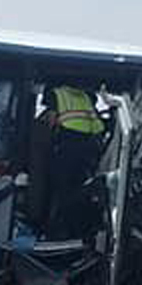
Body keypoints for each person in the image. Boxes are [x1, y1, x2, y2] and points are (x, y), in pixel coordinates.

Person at [43, 86, 106, 239]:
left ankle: (54, 233)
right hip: (86, 156)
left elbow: (50, 122)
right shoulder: (85, 97)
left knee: (59, 193)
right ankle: (77, 232)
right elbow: (99, 127)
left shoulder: (56, 94)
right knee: (80, 193)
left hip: (65, 151)